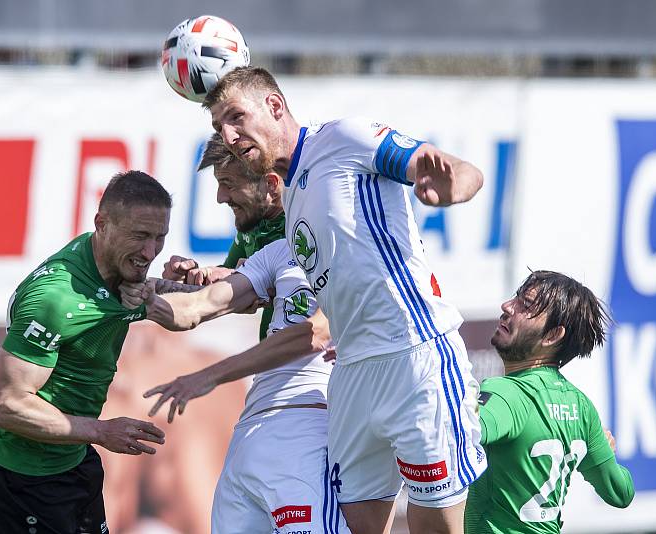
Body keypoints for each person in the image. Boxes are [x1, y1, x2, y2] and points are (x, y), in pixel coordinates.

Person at [205, 66, 486, 534]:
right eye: (219, 128)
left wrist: (453, 188)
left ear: (274, 106)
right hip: (352, 379)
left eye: (236, 117)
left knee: (436, 526)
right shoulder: (290, 197)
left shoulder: (343, 138)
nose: (230, 136)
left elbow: (460, 169)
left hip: (413, 355)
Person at [0, 170, 171, 534]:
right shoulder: (56, 298)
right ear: (102, 224)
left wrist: (204, 278)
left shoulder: (112, 269)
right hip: (20, 479)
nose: (150, 253)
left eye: (160, 238)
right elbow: (5, 406)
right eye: (140, 236)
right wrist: (101, 431)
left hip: (74, 463)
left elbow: (188, 312)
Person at [121, 235, 350, 533]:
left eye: (228, 185)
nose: (221, 197)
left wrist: (209, 375)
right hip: (249, 432)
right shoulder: (278, 250)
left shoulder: (350, 244)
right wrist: (144, 296)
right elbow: (201, 303)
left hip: (306, 424)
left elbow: (315, 332)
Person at [465, 270, 635, 533]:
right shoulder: (582, 407)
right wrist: (604, 451)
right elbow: (621, 492)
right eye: (516, 298)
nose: (507, 307)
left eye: (527, 305)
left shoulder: (506, 393)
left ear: (553, 335)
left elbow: (462, 431)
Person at [166, 132, 286, 341]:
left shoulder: (307, 224)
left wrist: (253, 279)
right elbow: (225, 286)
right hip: (276, 364)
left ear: (271, 184)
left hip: (320, 365)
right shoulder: (253, 223)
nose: (220, 197)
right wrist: (186, 281)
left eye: (229, 184)